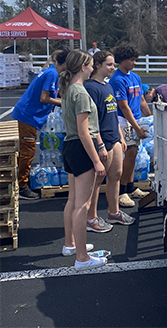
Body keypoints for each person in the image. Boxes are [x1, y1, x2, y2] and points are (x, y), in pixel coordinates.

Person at [60, 50, 107, 270]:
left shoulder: (70, 90)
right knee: (82, 204)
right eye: (89, 65)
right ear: (82, 67)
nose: (91, 68)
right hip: (80, 148)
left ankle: (71, 244)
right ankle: (82, 258)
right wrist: (97, 160)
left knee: (72, 200)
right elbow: (84, 131)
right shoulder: (81, 93)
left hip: (70, 147)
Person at [85, 51, 135, 232]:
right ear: (97, 65)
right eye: (109, 65)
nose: (113, 68)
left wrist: (121, 137)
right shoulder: (90, 88)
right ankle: (91, 218)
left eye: (113, 64)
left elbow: (113, 114)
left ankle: (114, 212)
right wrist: (99, 143)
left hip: (114, 138)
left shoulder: (108, 86)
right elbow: (91, 120)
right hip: (102, 140)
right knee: (97, 181)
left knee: (115, 175)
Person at [12, 48, 70, 199]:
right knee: (28, 150)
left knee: (27, 150)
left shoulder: (52, 71)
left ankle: (22, 179)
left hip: (31, 115)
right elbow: (44, 98)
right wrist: (64, 103)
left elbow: (53, 93)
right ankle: (22, 186)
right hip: (28, 115)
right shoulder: (52, 74)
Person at [108, 44, 151, 208]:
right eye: (131, 60)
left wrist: (149, 117)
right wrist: (136, 127)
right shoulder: (117, 79)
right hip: (123, 121)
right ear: (123, 60)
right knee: (128, 154)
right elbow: (123, 106)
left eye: (135, 60)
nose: (134, 63)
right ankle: (122, 191)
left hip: (136, 120)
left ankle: (131, 187)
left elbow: (141, 99)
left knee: (134, 154)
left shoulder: (135, 77)